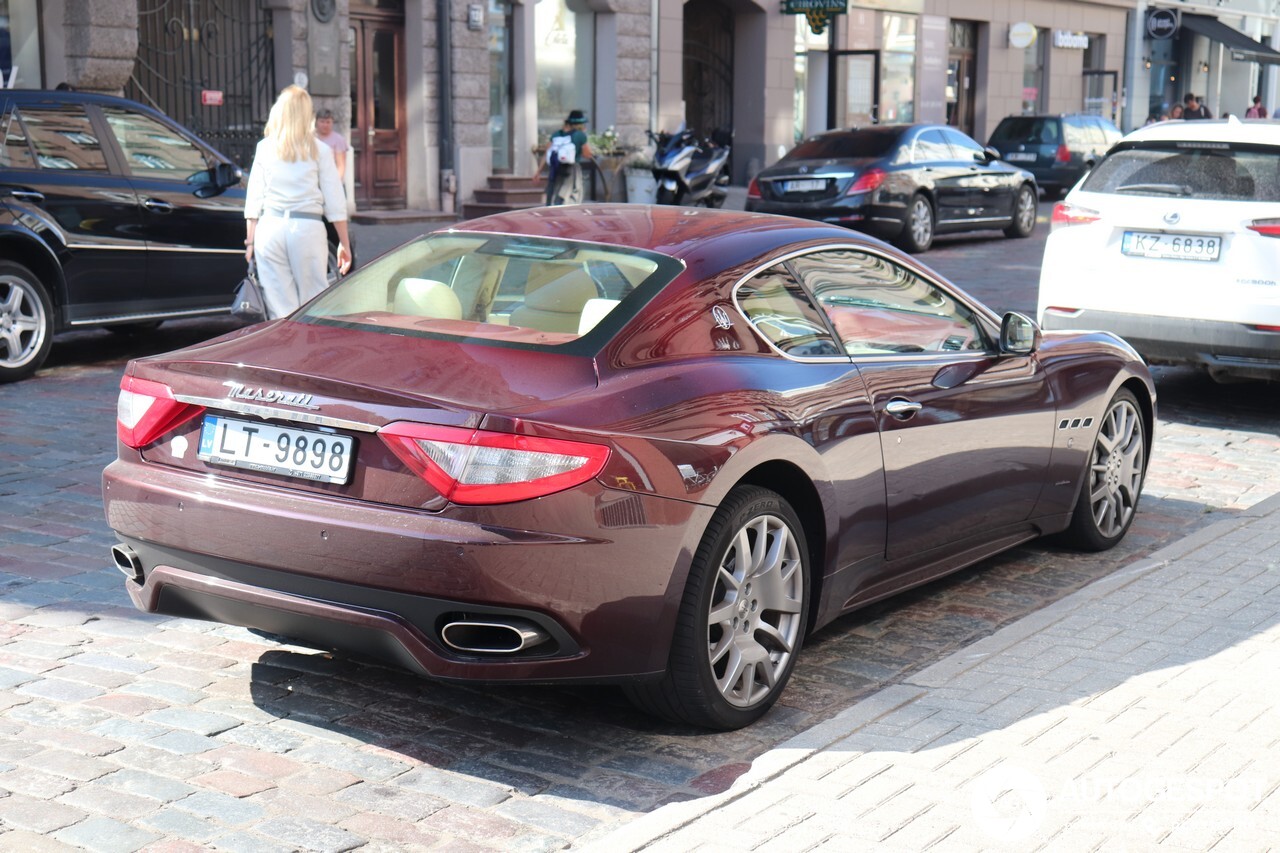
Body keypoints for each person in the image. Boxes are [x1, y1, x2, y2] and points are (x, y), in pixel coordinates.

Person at [244, 85, 352, 320]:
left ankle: (286, 353)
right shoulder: (320, 150)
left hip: (270, 227)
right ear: (307, 116)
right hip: (306, 227)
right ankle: (310, 353)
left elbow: (254, 197)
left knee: (279, 305)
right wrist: (344, 242)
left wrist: (250, 241)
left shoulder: (264, 148)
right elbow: (335, 199)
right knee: (314, 303)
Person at [542, 109, 593, 206]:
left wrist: (538, 171)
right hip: (571, 170)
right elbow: (588, 154)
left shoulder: (556, 134)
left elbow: (547, 152)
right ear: (580, 124)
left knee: (554, 192)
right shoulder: (580, 135)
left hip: (555, 169)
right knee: (571, 194)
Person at [314, 108, 349, 180]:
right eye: (322, 121)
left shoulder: (338, 140)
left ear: (332, 122)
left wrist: (337, 183)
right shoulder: (310, 138)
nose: (325, 125)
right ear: (316, 122)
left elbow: (341, 166)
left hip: (331, 179)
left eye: (328, 122)